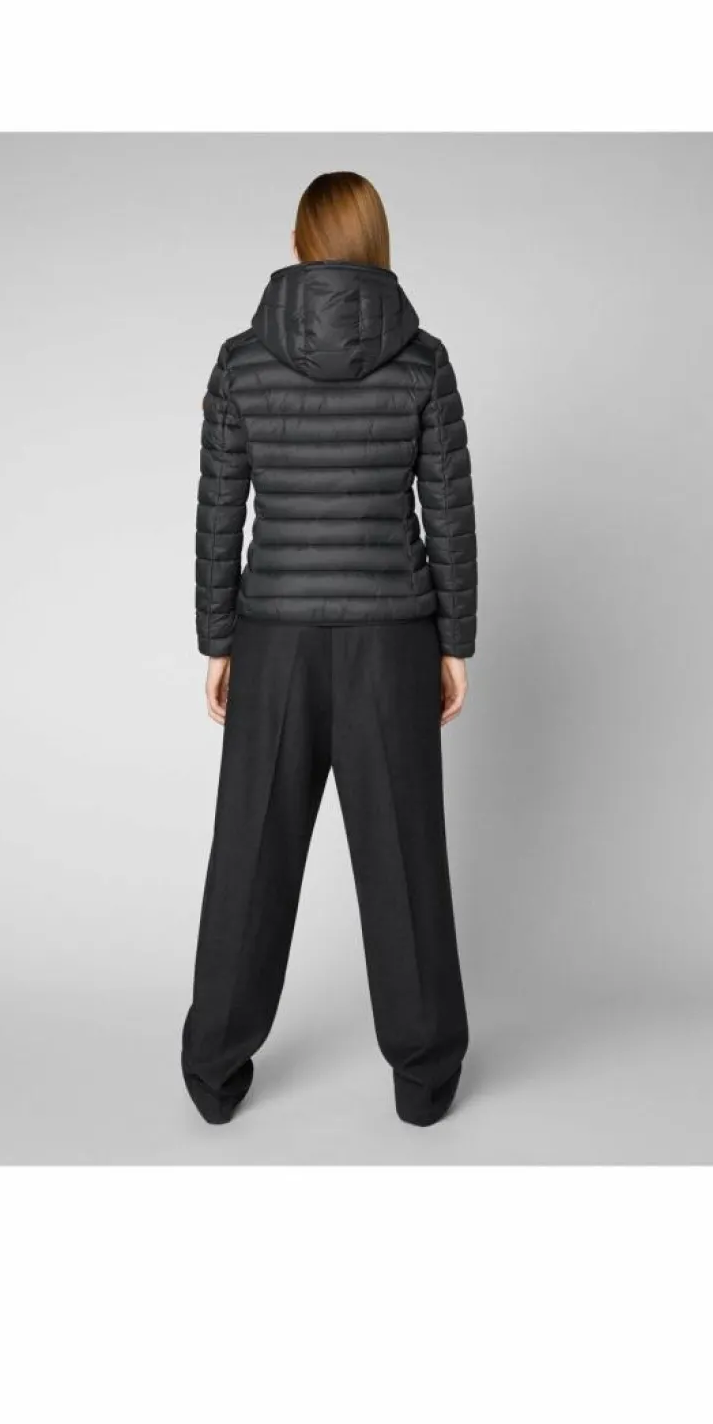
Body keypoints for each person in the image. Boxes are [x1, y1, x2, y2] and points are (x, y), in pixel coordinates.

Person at [181, 171, 477, 1127]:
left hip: (274, 636)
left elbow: (221, 508)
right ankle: (424, 1083)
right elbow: (449, 511)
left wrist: (219, 640)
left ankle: (213, 1075)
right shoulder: (423, 361)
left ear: (299, 244)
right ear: (376, 243)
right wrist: (454, 642)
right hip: (394, 638)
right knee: (405, 861)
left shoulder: (241, 362)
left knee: (250, 857)